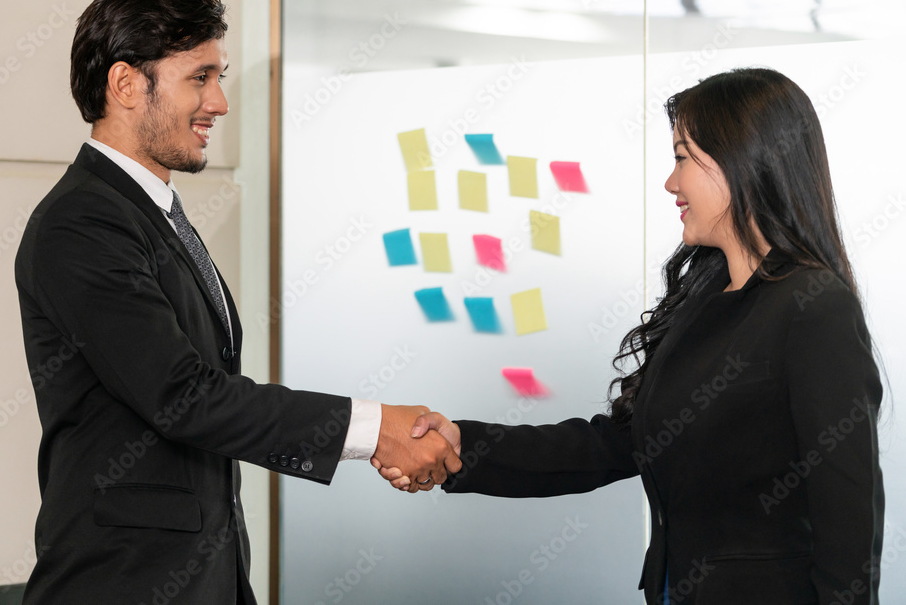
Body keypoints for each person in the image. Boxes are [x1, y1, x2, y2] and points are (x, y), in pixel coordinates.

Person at [14, 0, 460, 604]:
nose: (219, 102)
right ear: (124, 85)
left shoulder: (150, 214)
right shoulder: (82, 223)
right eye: (199, 77)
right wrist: (374, 429)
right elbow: (183, 396)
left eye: (217, 77)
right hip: (122, 583)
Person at [375, 68, 884, 604]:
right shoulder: (701, 302)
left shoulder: (813, 306)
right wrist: (461, 445)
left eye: (683, 157)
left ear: (743, 160)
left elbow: (848, 519)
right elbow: (612, 445)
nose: (671, 182)